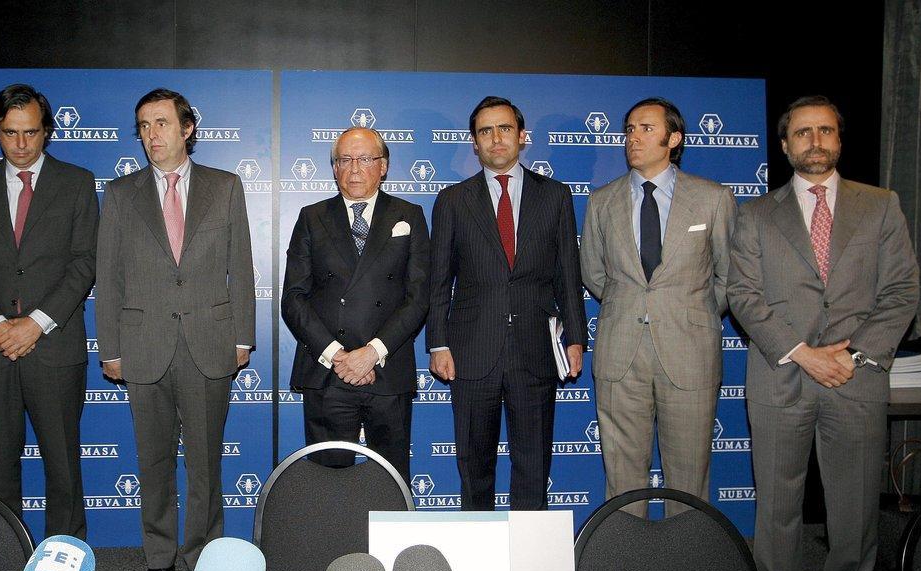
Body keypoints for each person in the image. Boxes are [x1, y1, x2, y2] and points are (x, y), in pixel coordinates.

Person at [728, 95, 918, 571]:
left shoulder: (881, 205)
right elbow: (742, 294)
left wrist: (852, 356)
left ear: (839, 139)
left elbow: (901, 291)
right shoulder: (755, 215)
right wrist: (803, 353)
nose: (816, 141)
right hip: (780, 375)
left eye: (826, 131)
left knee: (855, 509)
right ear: (786, 145)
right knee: (777, 507)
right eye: (803, 132)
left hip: (856, 377)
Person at [95, 88, 254, 571]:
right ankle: (160, 558)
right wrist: (110, 348)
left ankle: (205, 557)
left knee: (206, 461)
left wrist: (243, 336)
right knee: (154, 460)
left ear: (187, 128)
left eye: (162, 123)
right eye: (143, 125)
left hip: (210, 341)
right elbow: (109, 278)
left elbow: (242, 270)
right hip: (143, 346)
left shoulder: (225, 187)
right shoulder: (120, 194)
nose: (152, 135)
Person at [0, 83, 98, 539]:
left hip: (54, 346)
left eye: (30, 132)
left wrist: (35, 323)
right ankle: (3, 556)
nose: (20, 144)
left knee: (63, 469)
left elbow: (85, 262)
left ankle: (65, 565)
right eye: (10, 133)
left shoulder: (76, 183)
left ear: (47, 131)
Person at [426, 96, 585, 510]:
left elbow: (568, 273)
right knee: (473, 467)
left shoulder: (555, 196)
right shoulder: (452, 201)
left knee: (533, 466)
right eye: (485, 131)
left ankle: (528, 567)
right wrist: (438, 343)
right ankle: (479, 564)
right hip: (471, 351)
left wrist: (576, 339)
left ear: (521, 136)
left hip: (536, 350)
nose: (496, 139)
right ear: (474, 143)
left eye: (505, 129)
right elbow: (439, 280)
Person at [579, 97, 736, 515]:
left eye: (646, 128)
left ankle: (684, 570)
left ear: (674, 138)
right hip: (620, 353)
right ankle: (628, 567)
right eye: (629, 129)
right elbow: (595, 275)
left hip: (689, 352)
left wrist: (687, 313)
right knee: (622, 477)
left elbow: (729, 277)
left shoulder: (712, 199)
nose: (634, 137)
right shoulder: (601, 202)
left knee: (689, 477)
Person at [281, 126, 430, 482]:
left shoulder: (409, 215)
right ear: (334, 168)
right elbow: (294, 298)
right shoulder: (311, 217)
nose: (354, 168)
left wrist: (372, 352)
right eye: (344, 160)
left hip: (387, 369)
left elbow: (419, 296)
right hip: (328, 373)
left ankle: (393, 542)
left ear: (384, 166)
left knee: (390, 482)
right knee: (328, 484)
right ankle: (333, 542)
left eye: (365, 159)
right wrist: (338, 355)